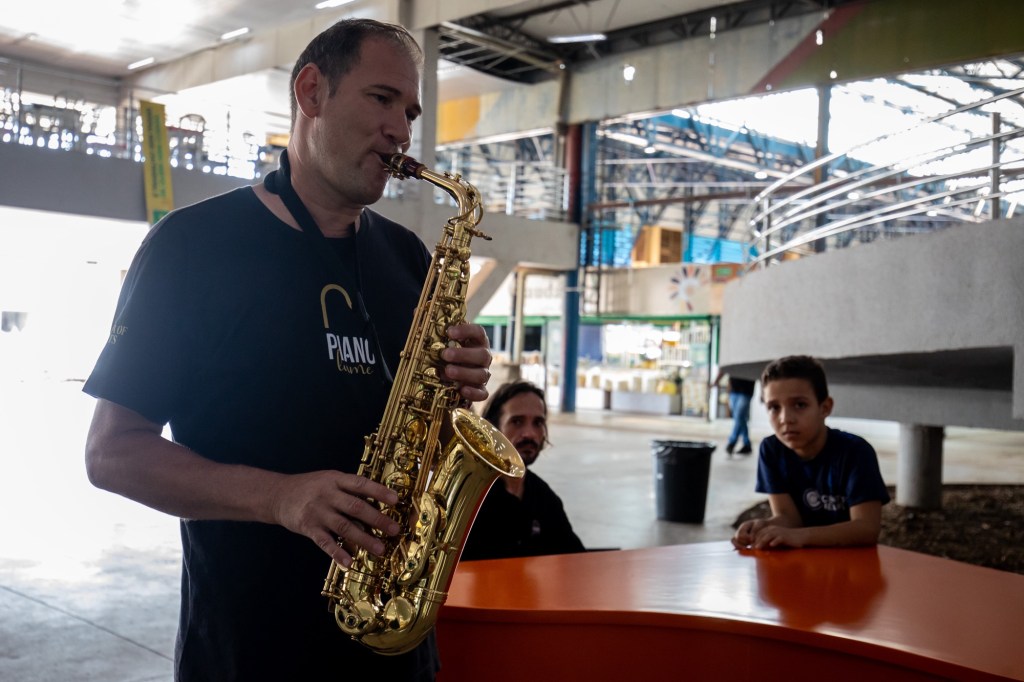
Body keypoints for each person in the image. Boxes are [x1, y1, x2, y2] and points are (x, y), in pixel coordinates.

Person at [83, 19, 495, 682]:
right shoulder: (191, 247)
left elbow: (423, 442)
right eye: (382, 98)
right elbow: (111, 454)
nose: (402, 131)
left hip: (395, 646)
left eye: (411, 111)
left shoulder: (408, 258)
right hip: (251, 651)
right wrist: (280, 498)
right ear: (311, 92)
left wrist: (458, 386)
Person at [732, 355, 890, 551]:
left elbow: (866, 528)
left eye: (799, 405)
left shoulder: (855, 452)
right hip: (800, 566)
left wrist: (800, 536)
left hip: (852, 569)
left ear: (825, 408)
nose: (785, 418)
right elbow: (789, 518)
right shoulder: (772, 450)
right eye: (774, 407)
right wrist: (763, 526)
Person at [460, 381, 586, 561]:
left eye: (538, 423)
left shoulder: (544, 497)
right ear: (492, 429)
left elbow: (577, 561)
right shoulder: (468, 497)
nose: (529, 433)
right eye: (517, 421)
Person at [711, 370, 756, 455]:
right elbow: (724, 368)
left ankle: (732, 442)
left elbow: (758, 372)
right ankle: (747, 444)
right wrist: (716, 381)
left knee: (739, 416)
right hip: (734, 391)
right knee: (740, 419)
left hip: (746, 391)